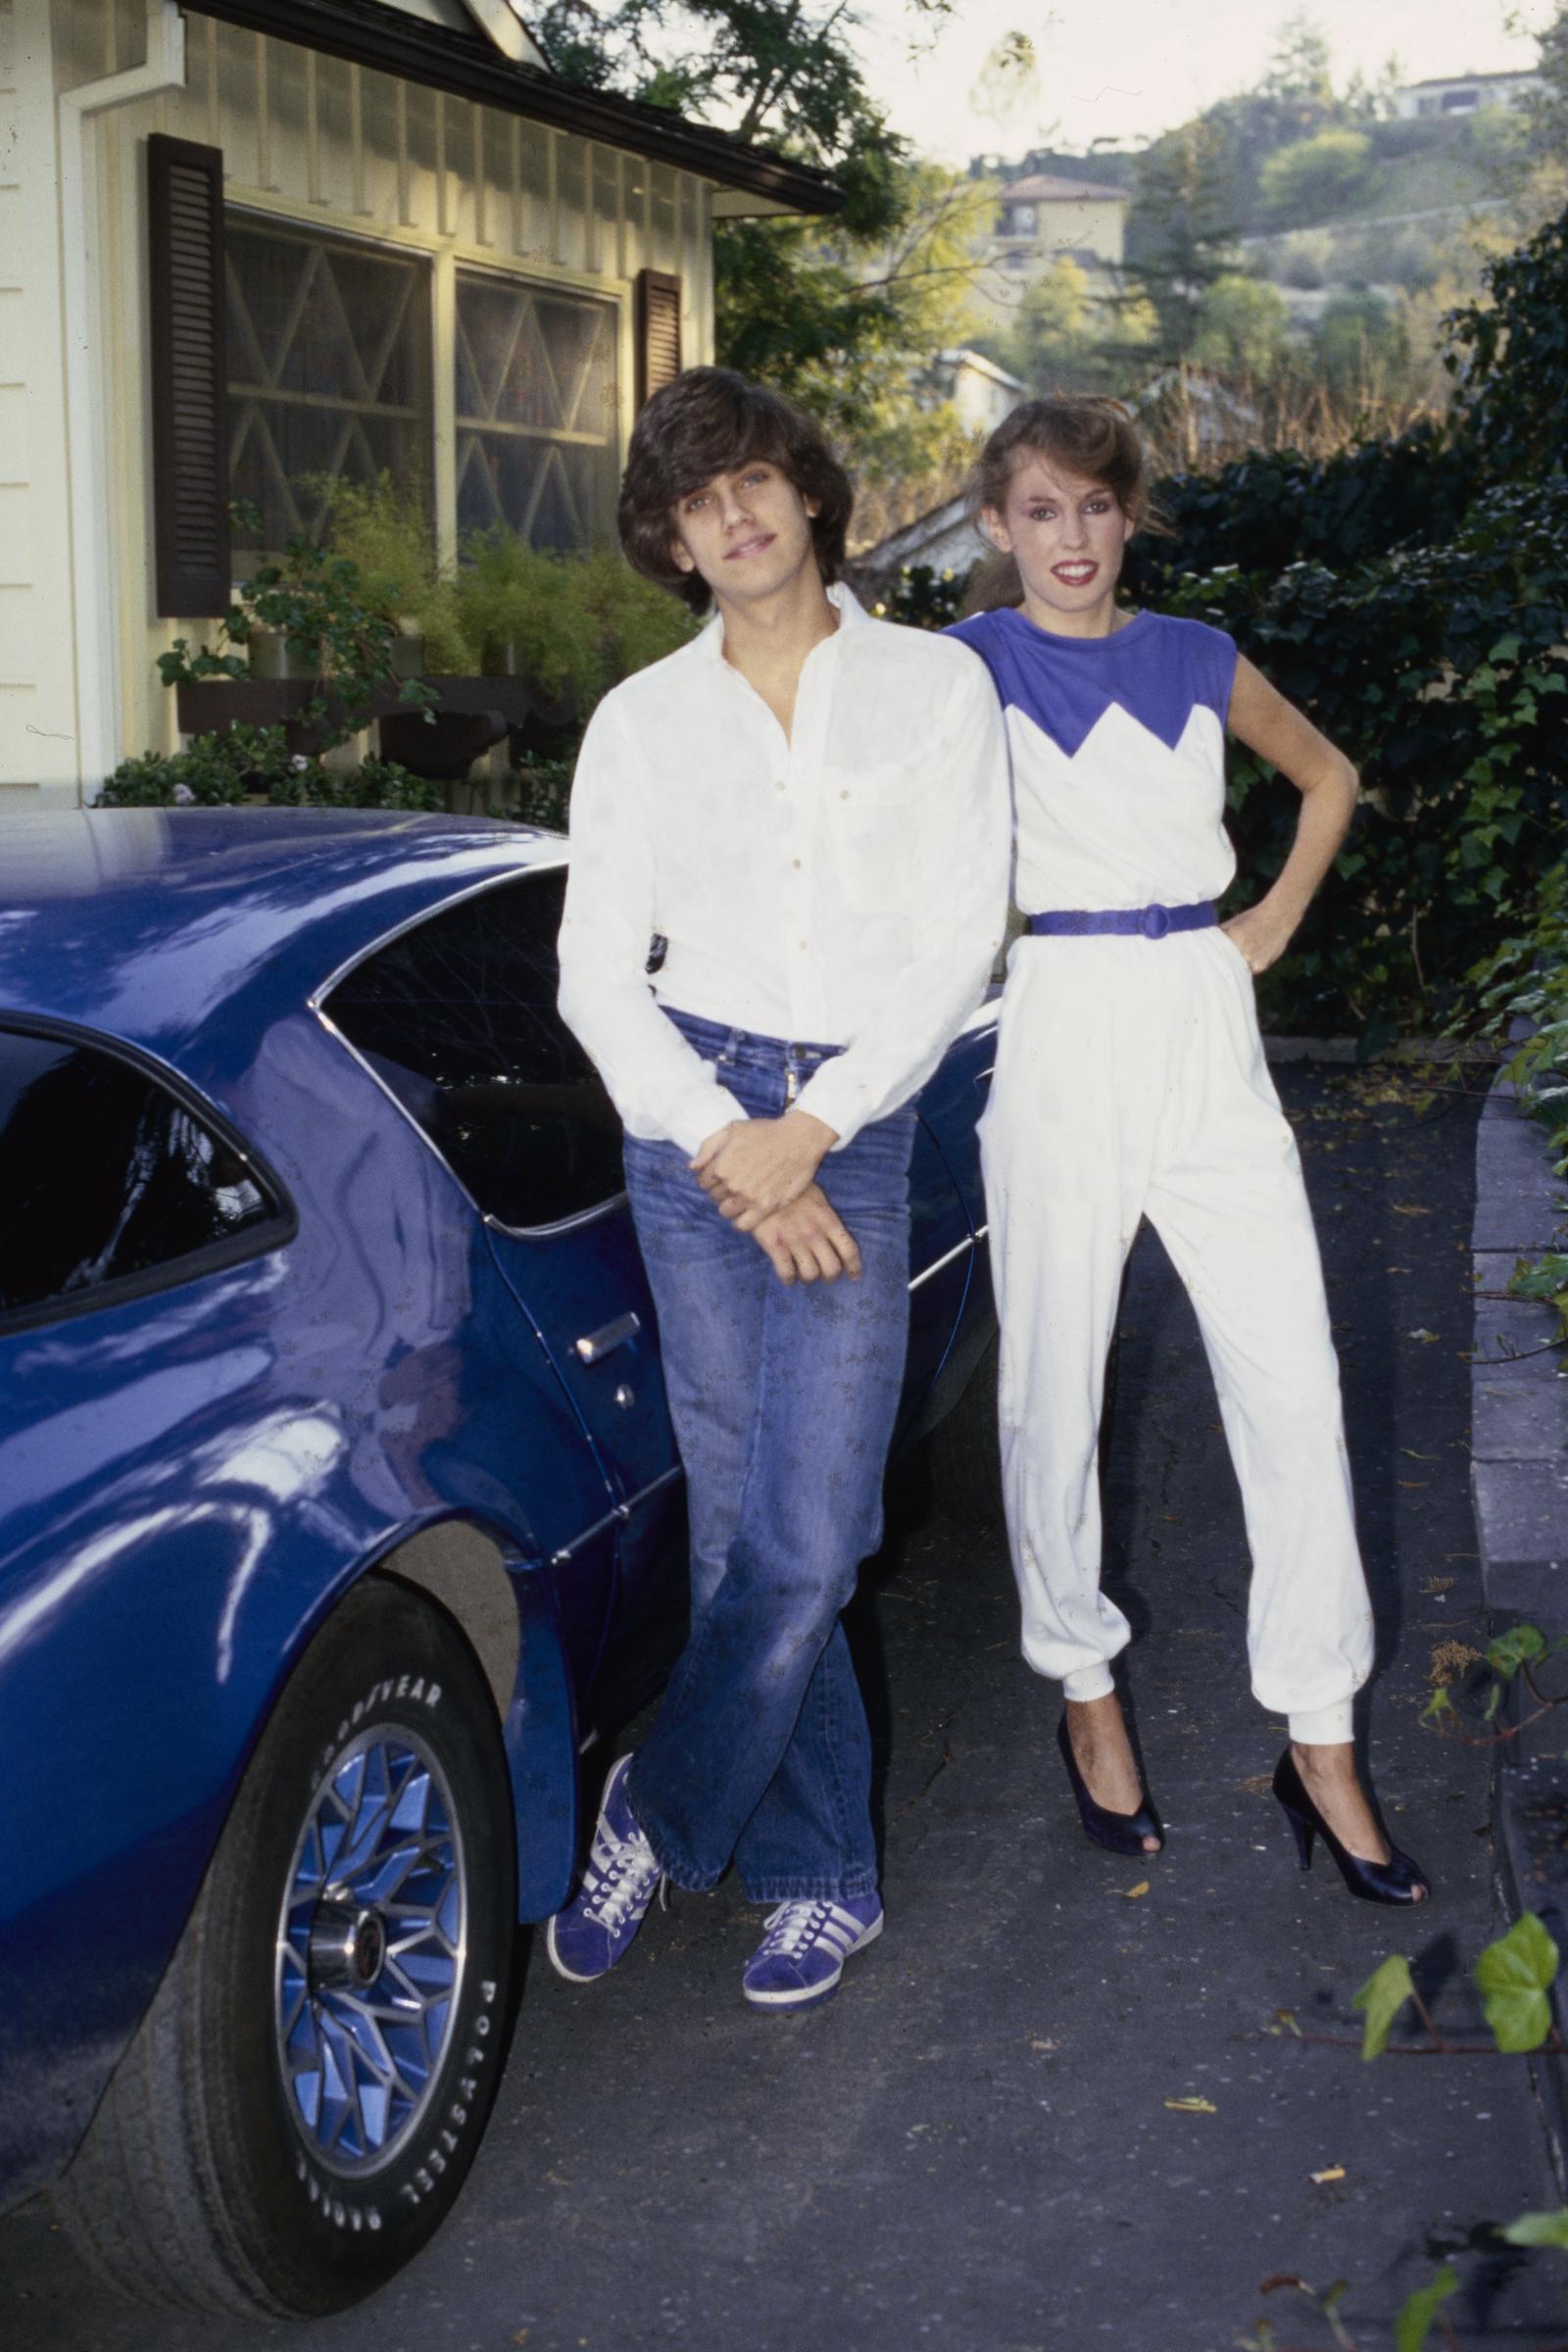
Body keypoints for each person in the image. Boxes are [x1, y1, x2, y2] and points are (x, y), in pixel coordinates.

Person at [550, 368, 1011, 2008]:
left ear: (807, 494)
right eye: (694, 501)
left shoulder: (934, 688)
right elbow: (595, 979)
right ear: (672, 543)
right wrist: (720, 1141)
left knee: (810, 1541)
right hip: (688, 1132)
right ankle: (822, 1878)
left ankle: (659, 1808)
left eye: (751, 479)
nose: (731, 516)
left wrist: (805, 1129)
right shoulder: (641, 722)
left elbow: (965, 940)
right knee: (745, 1512)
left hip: (851, 1118)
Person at [948, 394, 1429, 1906]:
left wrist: (1268, 926)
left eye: (1096, 507)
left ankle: (1323, 1733)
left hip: (1200, 1021)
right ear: (996, 527)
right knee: (1052, 1389)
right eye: (1042, 510)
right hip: (1060, 1016)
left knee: (1295, 1377)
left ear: (1128, 516)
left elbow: (1329, 775)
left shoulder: (1196, 656)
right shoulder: (962, 672)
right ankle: (1084, 1689)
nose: (1073, 537)